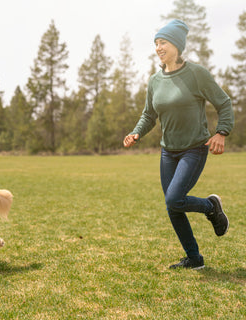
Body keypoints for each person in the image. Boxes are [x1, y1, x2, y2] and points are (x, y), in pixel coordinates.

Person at [123, 19, 234, 270]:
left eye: (163, 42)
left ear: (176, 45)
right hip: (168, 152)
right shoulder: (154, 81)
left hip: (194, 149)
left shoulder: (196, 74)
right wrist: (136, 132)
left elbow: (224, 103)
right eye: (156, 43)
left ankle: (210, 206)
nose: (158, 47)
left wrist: (222, 132)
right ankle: (194, 259)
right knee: (173, 207)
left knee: (174, 199)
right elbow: (149, 115)